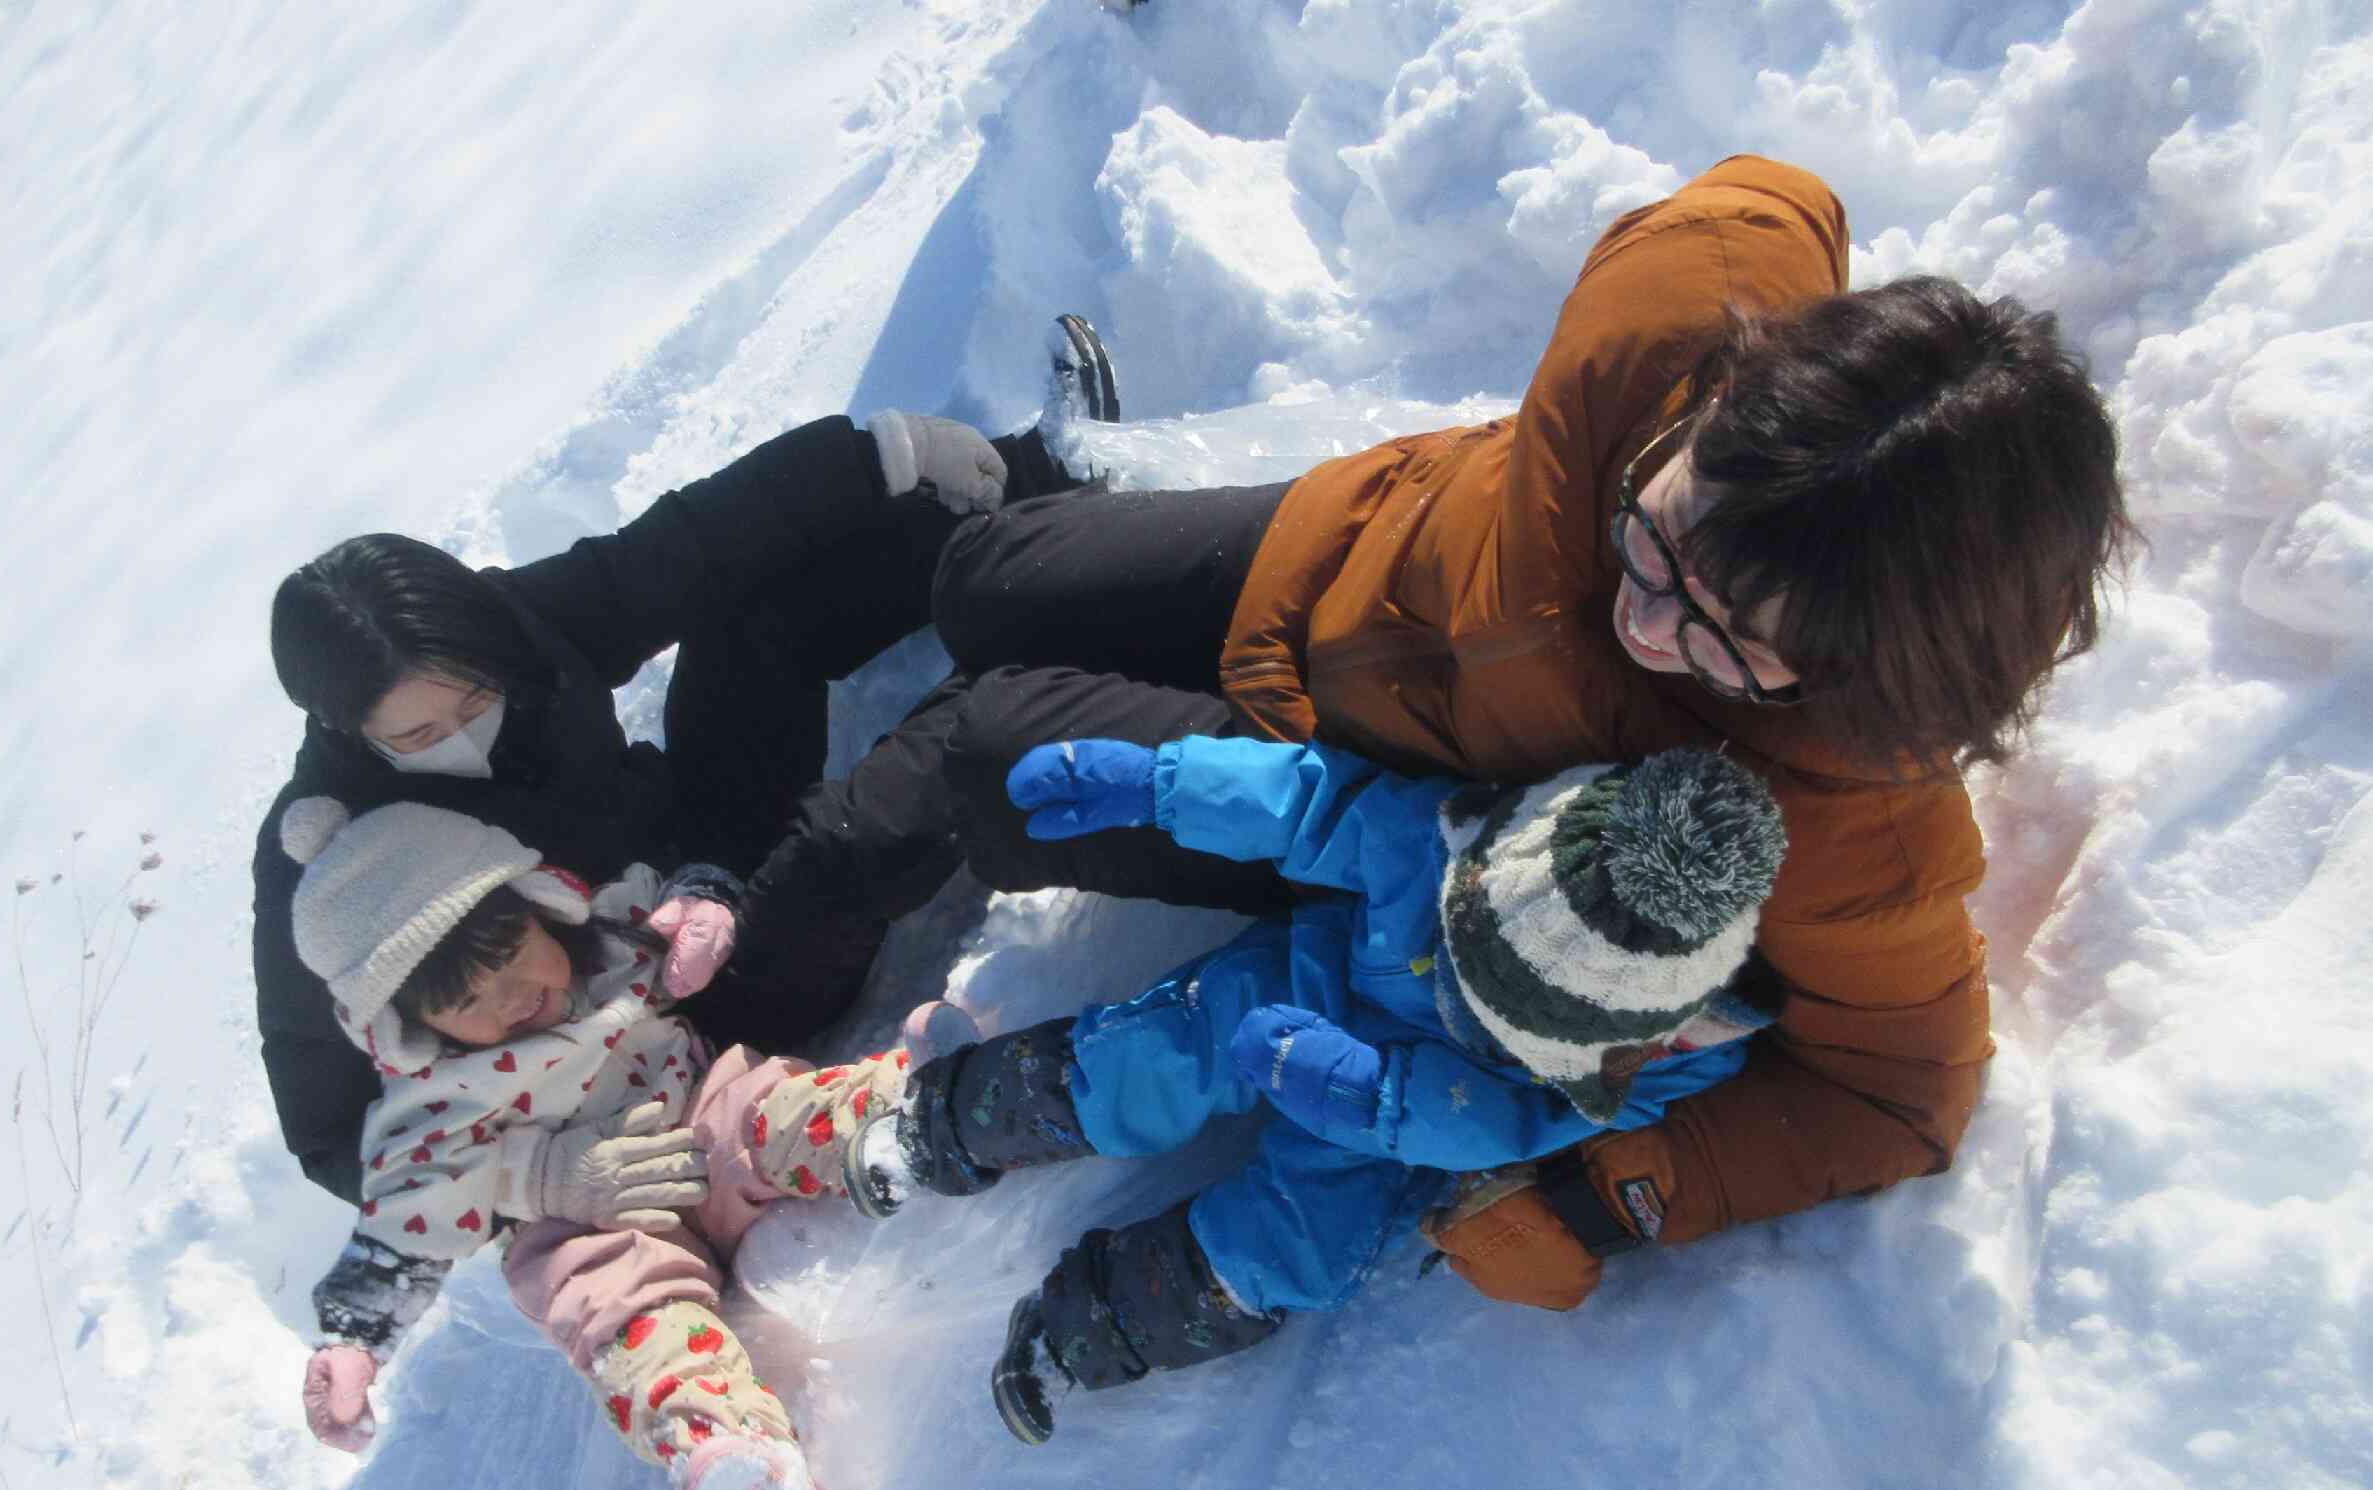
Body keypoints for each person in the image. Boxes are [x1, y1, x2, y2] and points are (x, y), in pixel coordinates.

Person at [739, 155, 2135, 1312]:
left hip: (1351, 797)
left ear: (1864, 676)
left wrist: (1600, 1200)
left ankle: (757, 977)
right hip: (1338, 544)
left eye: (1725, 642)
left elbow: (1904, 1094)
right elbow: (1786, 197)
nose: (1650, 626)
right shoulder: (1672, 315)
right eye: (1652, 539)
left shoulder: (1850, 815)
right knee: (985, 578)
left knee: (996, 760)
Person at [255, 319, 1120, 1207]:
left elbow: (678, 551)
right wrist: (533, 1175)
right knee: (843, 844)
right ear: (349, 729)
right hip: (673, 1011)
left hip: (694, 853)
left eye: (475, 705)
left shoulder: (511, 631)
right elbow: (329, 1136)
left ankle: (1046, 490)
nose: (459, 737)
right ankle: (1037, 686)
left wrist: (873, 455)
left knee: (747, 615)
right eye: (416, 737)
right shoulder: (327, 855)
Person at [841, 737, 1788, 1440]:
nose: (1478, 1005)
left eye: (1519, 1023)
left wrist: (1375, 1099)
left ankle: (1093, 1327)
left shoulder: (1676, 1051)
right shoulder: (1457, 838)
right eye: (1472, 967)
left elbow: (1516, 1119)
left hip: (1404, 1115)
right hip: (1307, 987)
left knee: (1298, 1242)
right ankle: (950, 1124)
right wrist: (1157, 784)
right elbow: (1308, 807)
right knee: (1161, 1051)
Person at [280, 798, 920, 1490]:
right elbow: (396, 1238)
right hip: (599, 1232)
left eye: (512, 955)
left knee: (761, 1109)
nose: (512, 997)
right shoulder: (432, 1108)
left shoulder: (612, 945)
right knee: (609, 1309)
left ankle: (914, 1108)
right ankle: (723, 1445)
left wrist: (707, 901)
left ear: (539, 908)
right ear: (413, 1027)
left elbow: (688, 887)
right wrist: (354, 1342)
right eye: (466, 1002)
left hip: (699, 1123)